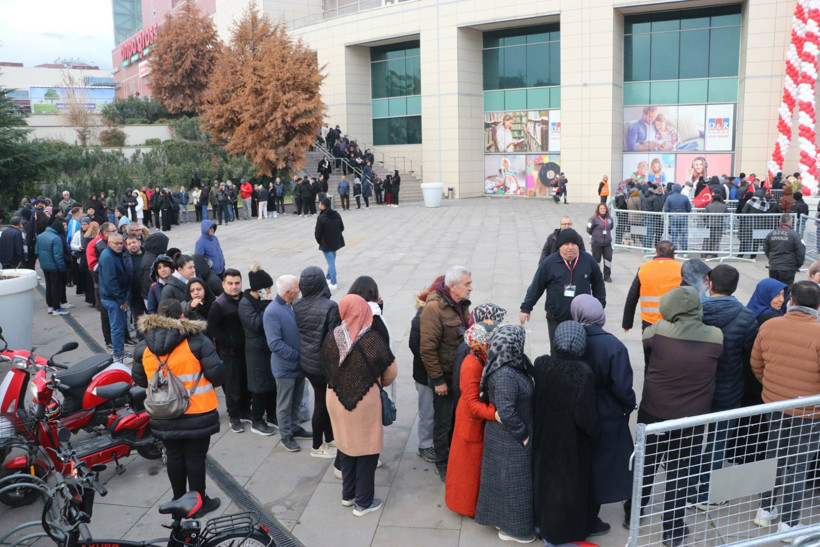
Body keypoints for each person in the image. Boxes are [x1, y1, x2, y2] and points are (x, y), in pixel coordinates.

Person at [636, 287, 723, 545]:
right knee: (680, 472)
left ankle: (634, 512)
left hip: (654, 412)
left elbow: (647, 352)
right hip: (692, 419)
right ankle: (672, 531)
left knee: (645, 464)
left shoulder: (657, 331)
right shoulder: (716, 336)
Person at [132, 298, 226, 517]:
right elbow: (217, 375)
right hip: (197, 411)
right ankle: (198, 503)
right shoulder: (197, 342)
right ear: (182, 317)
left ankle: (178, 502)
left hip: (163, 413)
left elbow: (140, 381)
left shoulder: (143, 346)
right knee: (195, 458)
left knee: (173, 456)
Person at [751, 281, 820, 534]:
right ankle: (789, 523)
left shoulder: (769, 326)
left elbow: (756, 364)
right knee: (798, 465)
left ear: (792, 301)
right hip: (809, 413)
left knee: (774, 456)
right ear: (818, 306)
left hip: (774, 405)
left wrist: (773, 389)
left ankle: (765, 509)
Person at [690, 265, 758, 508]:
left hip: (695, 386)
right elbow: (751, 356)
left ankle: (687, 490)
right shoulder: (746, 316)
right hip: (729, 386)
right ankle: (707, 493)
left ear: (708, 282)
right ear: (735, 287)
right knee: (719, 440)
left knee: (691, 438)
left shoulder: (693, 310)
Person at [323, 294, 396, 516]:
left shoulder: (332, 337)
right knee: (367, 451)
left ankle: (348, 495)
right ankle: (363, 503)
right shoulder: (372, 339)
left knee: (345, 445)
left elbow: (325, 366)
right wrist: (375, 383)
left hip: (335, 398)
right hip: (364, 403)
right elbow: (391, 372)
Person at [570, 295, 636, 531]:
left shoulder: (569, 338)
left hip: (576, 409)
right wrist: (628, 405)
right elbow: (622, 386)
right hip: (607, 411)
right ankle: (592, 515)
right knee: (603, 462)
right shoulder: (614, 345)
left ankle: (581, 512)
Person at [532, 321, 599, 543]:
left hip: (543, 438)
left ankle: (540, 525)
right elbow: (584, 416)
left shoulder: (541, 364)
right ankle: (557, 535)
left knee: (544, 483)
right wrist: (594, 434)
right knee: (566, 490)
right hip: (571, 444)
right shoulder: (583, 373)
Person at [474, 325, 536, 543]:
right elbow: (506, 411)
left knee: (506, 482)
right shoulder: (505, 375)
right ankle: (515, 530)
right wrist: (523, 435)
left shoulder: (509, 364)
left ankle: (503, 520)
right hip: (509, 439)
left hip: (505, 437)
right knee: (515, 483)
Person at [419, 265, 472, 481]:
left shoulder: (461, 304)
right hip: (445, 376)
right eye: (467, 284)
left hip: (459, 373)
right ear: (452, 286)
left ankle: (455, 455)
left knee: (456, 418)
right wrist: (438, 380)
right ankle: (442, 462)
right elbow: (427, 348)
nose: (471, 288)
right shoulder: (434, 309)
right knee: (443, 422)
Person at [445, 320, 499, 518]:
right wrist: (493, 413)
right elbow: (472, 403)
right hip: (470, 423)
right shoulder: (471, 364)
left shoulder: (478, 357)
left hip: (470, 420)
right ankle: (465, 506)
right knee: (467, 469)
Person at [520, 228, 606, 346]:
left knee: (582, 351)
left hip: (583, 319)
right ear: (560, 246)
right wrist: (526, 308)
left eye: (573, 244)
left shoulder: (588, 261)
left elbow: (598, 284)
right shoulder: (549, 263)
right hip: (556, 318)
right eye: (566, 244)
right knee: (557, 352)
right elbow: (536, 286)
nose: (570, 247)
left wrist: (600, 306)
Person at [293, 266, 341, 458]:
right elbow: (333, 341)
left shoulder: (296, 305)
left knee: (324, 401)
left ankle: (329, 438)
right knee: (322, 403)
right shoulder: (330, 306)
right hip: (323, 366)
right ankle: (316, 446)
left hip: (307, 361)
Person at [264, 275, 312, 452]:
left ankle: (295, 427)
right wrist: (298, 356)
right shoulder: (272, 312)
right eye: (297, 287)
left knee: (296, 401)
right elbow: (275, 344)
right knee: (284, 405)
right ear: (288, 292)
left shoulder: (293, 305)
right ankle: (286, 436)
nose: (300, 290)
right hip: (285, 368)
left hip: (299, 366)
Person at [622, 240, 682, 367]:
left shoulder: (644, 268)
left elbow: (632, 297)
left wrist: (627, 323)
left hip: (649, 324)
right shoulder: (681, 269)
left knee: (649, 362)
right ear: (673, 255)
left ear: (656, 253)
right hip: (673, 323)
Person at [207, 269, 251, 433]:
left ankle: (246, 411)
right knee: (232, 386)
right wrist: (229, 342)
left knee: (246, 382)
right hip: (229, 353)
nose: (234, 287)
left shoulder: (244, 299)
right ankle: (234, 416)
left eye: (237, 283)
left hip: (245, 351)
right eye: (230, 283)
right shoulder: (219, 305)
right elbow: (212, 328)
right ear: (223, 284)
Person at [237, 264, 277, 436]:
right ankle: (257, 420)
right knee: (259, 387)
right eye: (267, 288)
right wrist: (268, 304)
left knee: (270, 384)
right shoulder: (245, 304)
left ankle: (272, 415)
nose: (269, 291)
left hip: (266, 349)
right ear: (259, 289)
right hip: (255, 351)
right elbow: (257, 324)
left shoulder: (259, 301)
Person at [408, 276, 444, 464]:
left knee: (436, 411)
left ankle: (434, 442)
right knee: (427, 412)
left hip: (437, 373)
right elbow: (415, 345)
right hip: (424, 375)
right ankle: (424, 445)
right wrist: (433, 366)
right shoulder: (421, 317)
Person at [98, 233, 132, 362]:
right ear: (109, 243)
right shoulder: (108, 257)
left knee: (118, 325)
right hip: (113, 299)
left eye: (120, 243)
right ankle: (118, 355)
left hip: (113, 297)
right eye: (116, 243)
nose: (119, 246)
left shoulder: (113, 255)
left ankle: (120, 351)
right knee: (117, 327)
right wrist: (121, 299)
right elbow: (110, 281)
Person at [36, 218, 69, 315]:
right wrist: (62, 268)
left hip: (44, 266)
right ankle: (56, 308)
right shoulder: (56, 238)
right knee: (56, 287)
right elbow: (58, 256)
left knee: (49, 286)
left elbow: (36, 251)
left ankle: (50, 306)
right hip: (54, 267)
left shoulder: (40, 236)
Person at [764, 213, 806, 287]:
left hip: (774, 267)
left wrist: (772, 259)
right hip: (788, 268)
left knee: (774, 290)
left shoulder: (771, 234)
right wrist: (798, 265)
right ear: (791, 222)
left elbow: (766, 249)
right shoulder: (795, 235)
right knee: (786, 291)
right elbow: (801, 252)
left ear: (780, 221)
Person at [315, 197, 345, 290]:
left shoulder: (321, 217)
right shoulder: (336, 214)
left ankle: (333, 282)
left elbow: (317, 232)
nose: (319, 205)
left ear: (323, 206)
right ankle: (328, 277)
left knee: (331, 262)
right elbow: (342, 227)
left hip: (326, 243)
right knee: (331, 261)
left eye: (319, 204)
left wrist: (320, 241)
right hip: (335, 242)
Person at [587, 203, 614, 282]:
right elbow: (588, 229)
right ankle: (596, 276)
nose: (603, 210)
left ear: (606, 209)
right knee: (596, 260)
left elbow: (611, 227)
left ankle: (607, 275)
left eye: (604, 208)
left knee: (608, 259)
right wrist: (596, 235)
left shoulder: (609, 218)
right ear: (598, 210)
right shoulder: (593, 219)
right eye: (601, 208)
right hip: (596, 243)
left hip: (607, 243)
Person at [663, 184, 692, 256]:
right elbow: (689, 209)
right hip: (683, 218)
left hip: (673, 218)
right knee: (684, 235)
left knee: (674, 236)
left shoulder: (669, 198)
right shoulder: (685, 197)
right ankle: (684, 251)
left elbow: (666, 209)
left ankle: (674, 251)